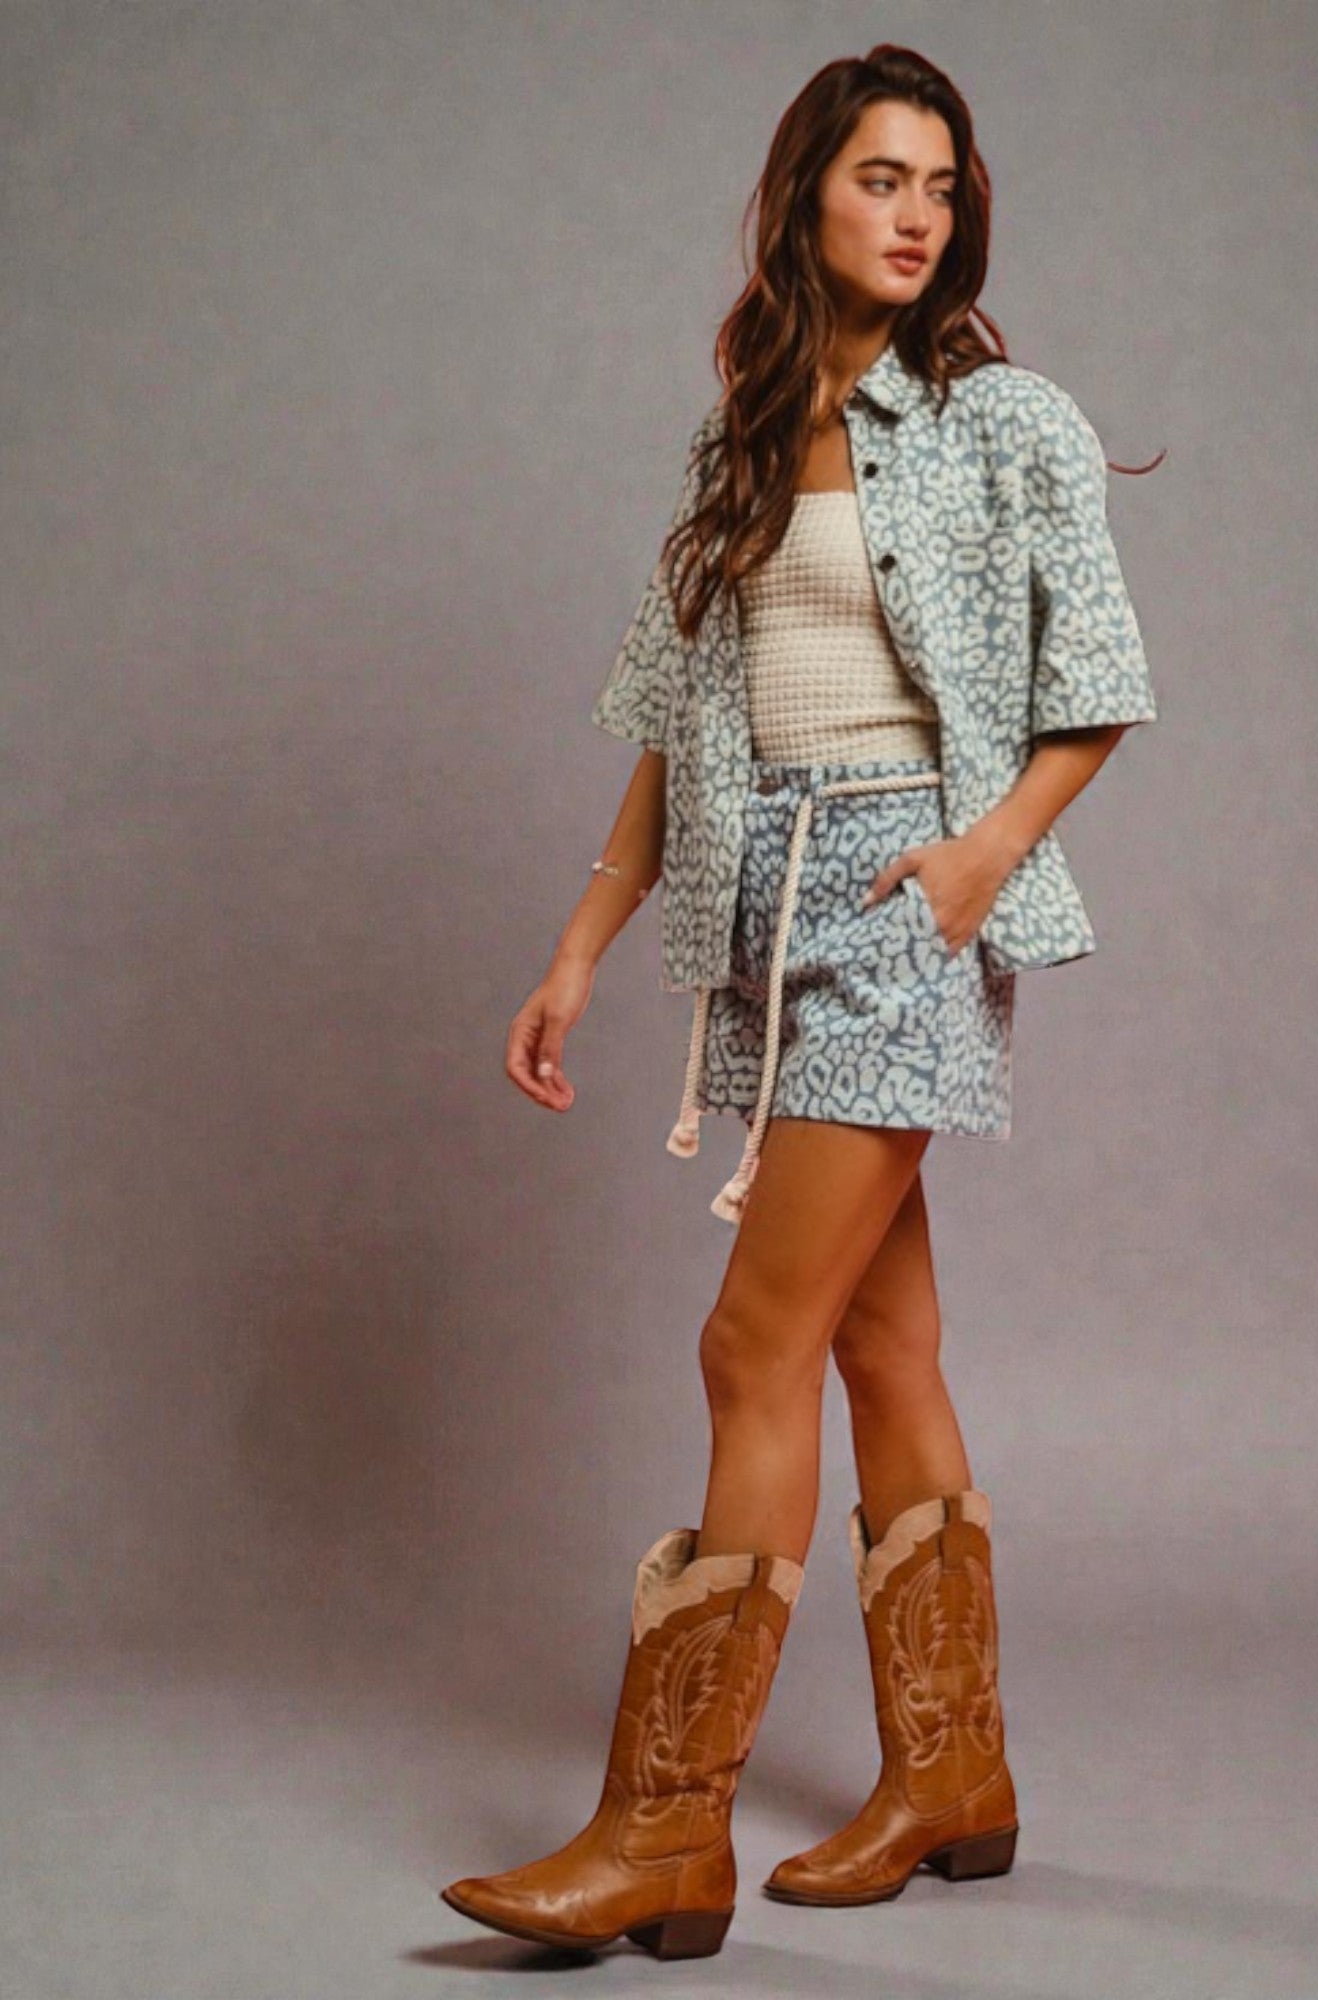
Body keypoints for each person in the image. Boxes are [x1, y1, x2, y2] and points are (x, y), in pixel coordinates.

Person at [441, 42, 1160, 1961]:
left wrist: (980, 861)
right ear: (802, 199)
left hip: (906, 900)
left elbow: (1099, 680)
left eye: (941, 183)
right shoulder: (744, 436)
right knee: (877, 1352)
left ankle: (661, 1830)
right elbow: (680, 724)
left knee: (746, 1350)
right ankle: (956, 1775)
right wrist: (585, 946)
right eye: (880, 180)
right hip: (760, 915)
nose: (917, 213)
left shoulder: (1004, 421)